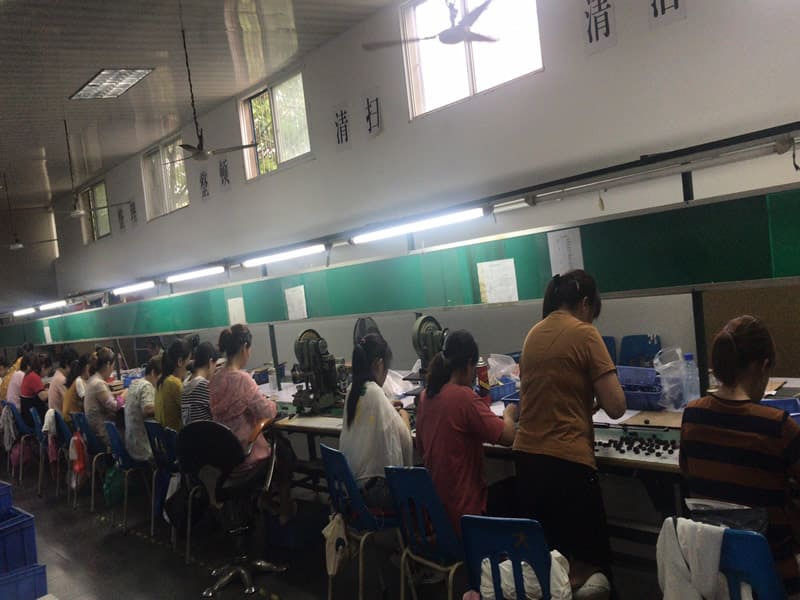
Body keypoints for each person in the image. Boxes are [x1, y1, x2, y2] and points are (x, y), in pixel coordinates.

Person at [513, 270, 625, 590]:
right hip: (567, 467)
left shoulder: (533, 333)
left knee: (550, 567)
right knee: (590, 568)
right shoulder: (585, 333)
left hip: (528, 465)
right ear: (586, 304)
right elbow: (617, 406)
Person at [680, 315, 800, 596]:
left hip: (713, 568)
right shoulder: (779, 427)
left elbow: (688, 475)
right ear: (763, 366)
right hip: (774, 571)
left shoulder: (692, 415)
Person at [416, 330, 518, 534]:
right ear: (470, 364)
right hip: (464, 513)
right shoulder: (464, 398)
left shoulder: (426, 396)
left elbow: (420, 447)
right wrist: (509, 415)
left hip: (436, 514)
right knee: (517, 487)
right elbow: (508, 437)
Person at [340, 334, 413, 512]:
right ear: (379, 364)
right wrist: (404, 416)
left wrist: (387, 406)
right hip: (374, 495)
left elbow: (370, 411)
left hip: (352, 490)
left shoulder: (352, 389)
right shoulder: (375, 393)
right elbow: (406, 439)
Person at [209, 325, 277, 471]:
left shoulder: (214, 379)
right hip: (246, 455)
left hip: (225, 459)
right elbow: (268, 413)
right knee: (284, 451)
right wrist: (272, 403)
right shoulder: (243, 380)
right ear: (244, 347)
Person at [125, 357, 161, 461]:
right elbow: (147, 409)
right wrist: (165, 406)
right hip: (143, 448)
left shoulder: (135, 383)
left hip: (132, 444)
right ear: (153, 373)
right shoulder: (147, 386)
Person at [84, 347, 120, 445]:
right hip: (102, 432)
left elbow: (104, 396)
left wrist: (119, 393)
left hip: (94, 430)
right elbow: (115, 406)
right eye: (113, 366)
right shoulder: (98, 383)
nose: (112, 370)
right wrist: (125, 395)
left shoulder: (93, 379)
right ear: (108, 364)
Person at [155, 338, 191, 431]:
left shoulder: (161, 381)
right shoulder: (173, 383)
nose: (189, 367)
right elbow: (190, 414)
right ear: (180, 362)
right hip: (177, 437)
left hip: (164, 437)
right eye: (188, 361)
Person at [181, 341, 218, 426]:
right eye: (215, 366)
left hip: (191, 433)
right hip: (205, 433)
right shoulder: (204, 385)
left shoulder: (185, 383)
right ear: (210, 362)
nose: (214, 371)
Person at [20, 353, 51, 428]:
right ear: (43, 367)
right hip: (33, 418)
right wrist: (52, 389)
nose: (47, 374)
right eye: (48, 370)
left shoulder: (30, 374)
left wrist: (46, 390)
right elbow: (43, 397)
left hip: (27, 414)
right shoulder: (34, 377)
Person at [62, 353, 94, 424]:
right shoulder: (79, 381)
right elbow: (86, 401)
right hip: (71, 420)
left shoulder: (82, 381)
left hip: (75, 418)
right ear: (87, 367)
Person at [48, 348, 78, 414]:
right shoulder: (61, 379)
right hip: (60, 418)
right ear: (67, 364)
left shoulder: (57, 374)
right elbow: (70, 401)